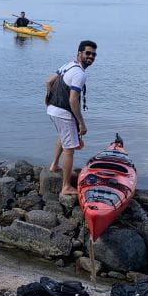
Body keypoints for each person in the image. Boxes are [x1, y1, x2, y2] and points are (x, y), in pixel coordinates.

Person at [45, 40, 97, 196]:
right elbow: (73, 100)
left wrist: (48, 98)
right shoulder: (79, 74)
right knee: (70, 149)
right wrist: (81, 123)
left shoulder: (68, 65)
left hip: (53, 109)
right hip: (63, 112)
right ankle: (66, 187)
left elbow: (48, 81)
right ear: (79, 53)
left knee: (63, 137)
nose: (91, 56)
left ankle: (54, 166)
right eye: (88, 53)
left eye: (93, 54)